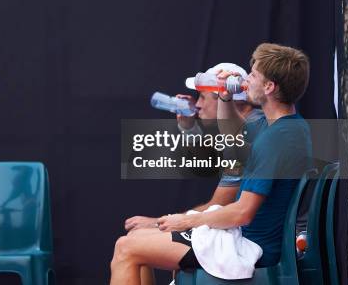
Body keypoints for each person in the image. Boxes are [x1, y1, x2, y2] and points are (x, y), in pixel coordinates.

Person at [110, 44, 312, 284]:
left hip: (247, 247)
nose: (247, 79)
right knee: (135, 244)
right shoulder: (289, 126)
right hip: (246, 238)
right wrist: (225, 96)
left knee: (126, 248)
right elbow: (234, 135)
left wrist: (186, 221)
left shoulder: (273, 140)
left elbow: (242, 213)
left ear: (269, 87)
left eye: (254, 75)